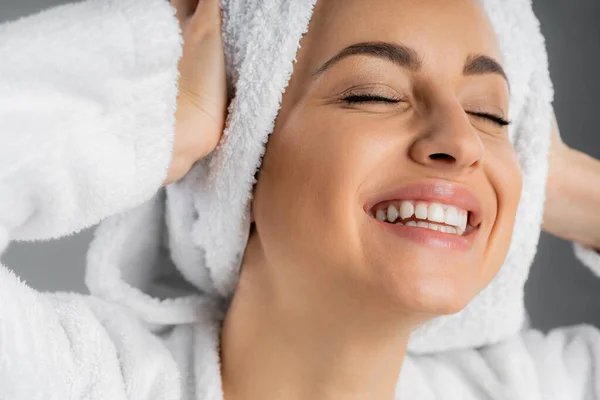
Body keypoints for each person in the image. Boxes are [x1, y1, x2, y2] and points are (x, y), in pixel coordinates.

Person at [0, 0, 599, 399]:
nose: (461, 141)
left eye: (489, 113)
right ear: (239, 152)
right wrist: (159, 117)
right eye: (373, 94)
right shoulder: (75, 379)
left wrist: (558, 179)